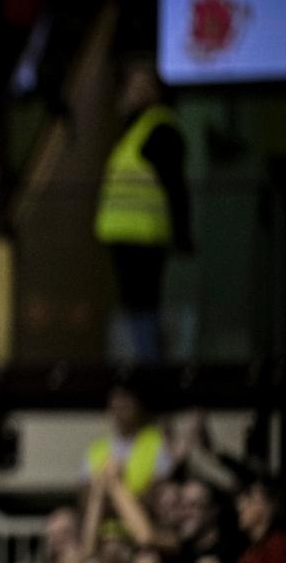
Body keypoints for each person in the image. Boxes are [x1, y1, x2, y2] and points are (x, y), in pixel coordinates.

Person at [95, 59, 192, 363]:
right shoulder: (132, 129)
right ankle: (146, 367)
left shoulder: (160, 129)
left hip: (145, 235)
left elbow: (176, 186)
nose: (134, 93)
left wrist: (183, 233)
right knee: (136, 308)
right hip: (125, 235)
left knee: (144, 307)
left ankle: (151, 370)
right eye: (131, 85)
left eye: (142, 86)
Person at [83, 384, 173, 499]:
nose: (120, 413)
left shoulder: (157, 442)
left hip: (141, 515)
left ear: (138, 406)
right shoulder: (97, 449)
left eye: (125, 406)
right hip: (104, 515)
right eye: (116, 407)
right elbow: (85, 492)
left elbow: (157, 490)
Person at [237, 474, 286, 563]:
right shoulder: (251, 552)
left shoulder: (278, 548)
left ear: (269, 505)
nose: (240, 506)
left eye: (250, 498)